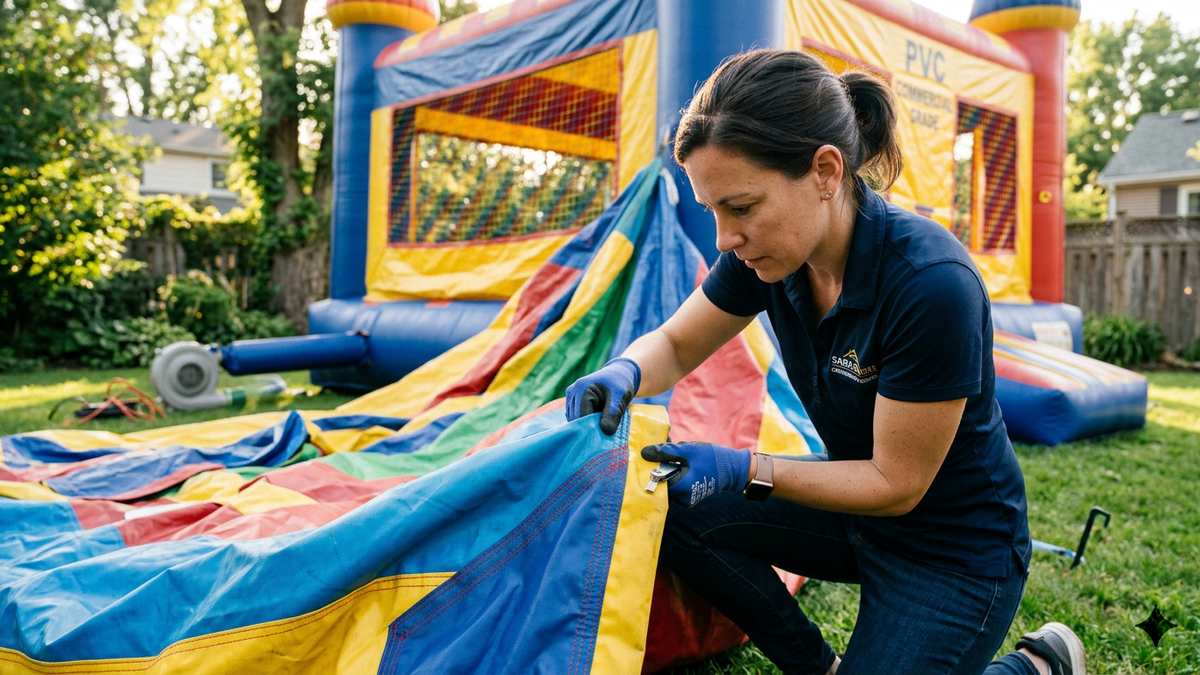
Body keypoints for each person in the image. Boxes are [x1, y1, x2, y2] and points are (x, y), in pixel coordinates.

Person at [564, 49, 1085, 675]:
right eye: (713, 211)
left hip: (953, 548)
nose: (724, 237)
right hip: (853, 512)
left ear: (825, 171)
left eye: (742, 207)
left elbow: (896, 484)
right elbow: (675, 345)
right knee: (670, 504)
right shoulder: (770, 254)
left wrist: (746, 467)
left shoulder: (930, 282)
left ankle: (1039, 665)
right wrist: (624, 370)